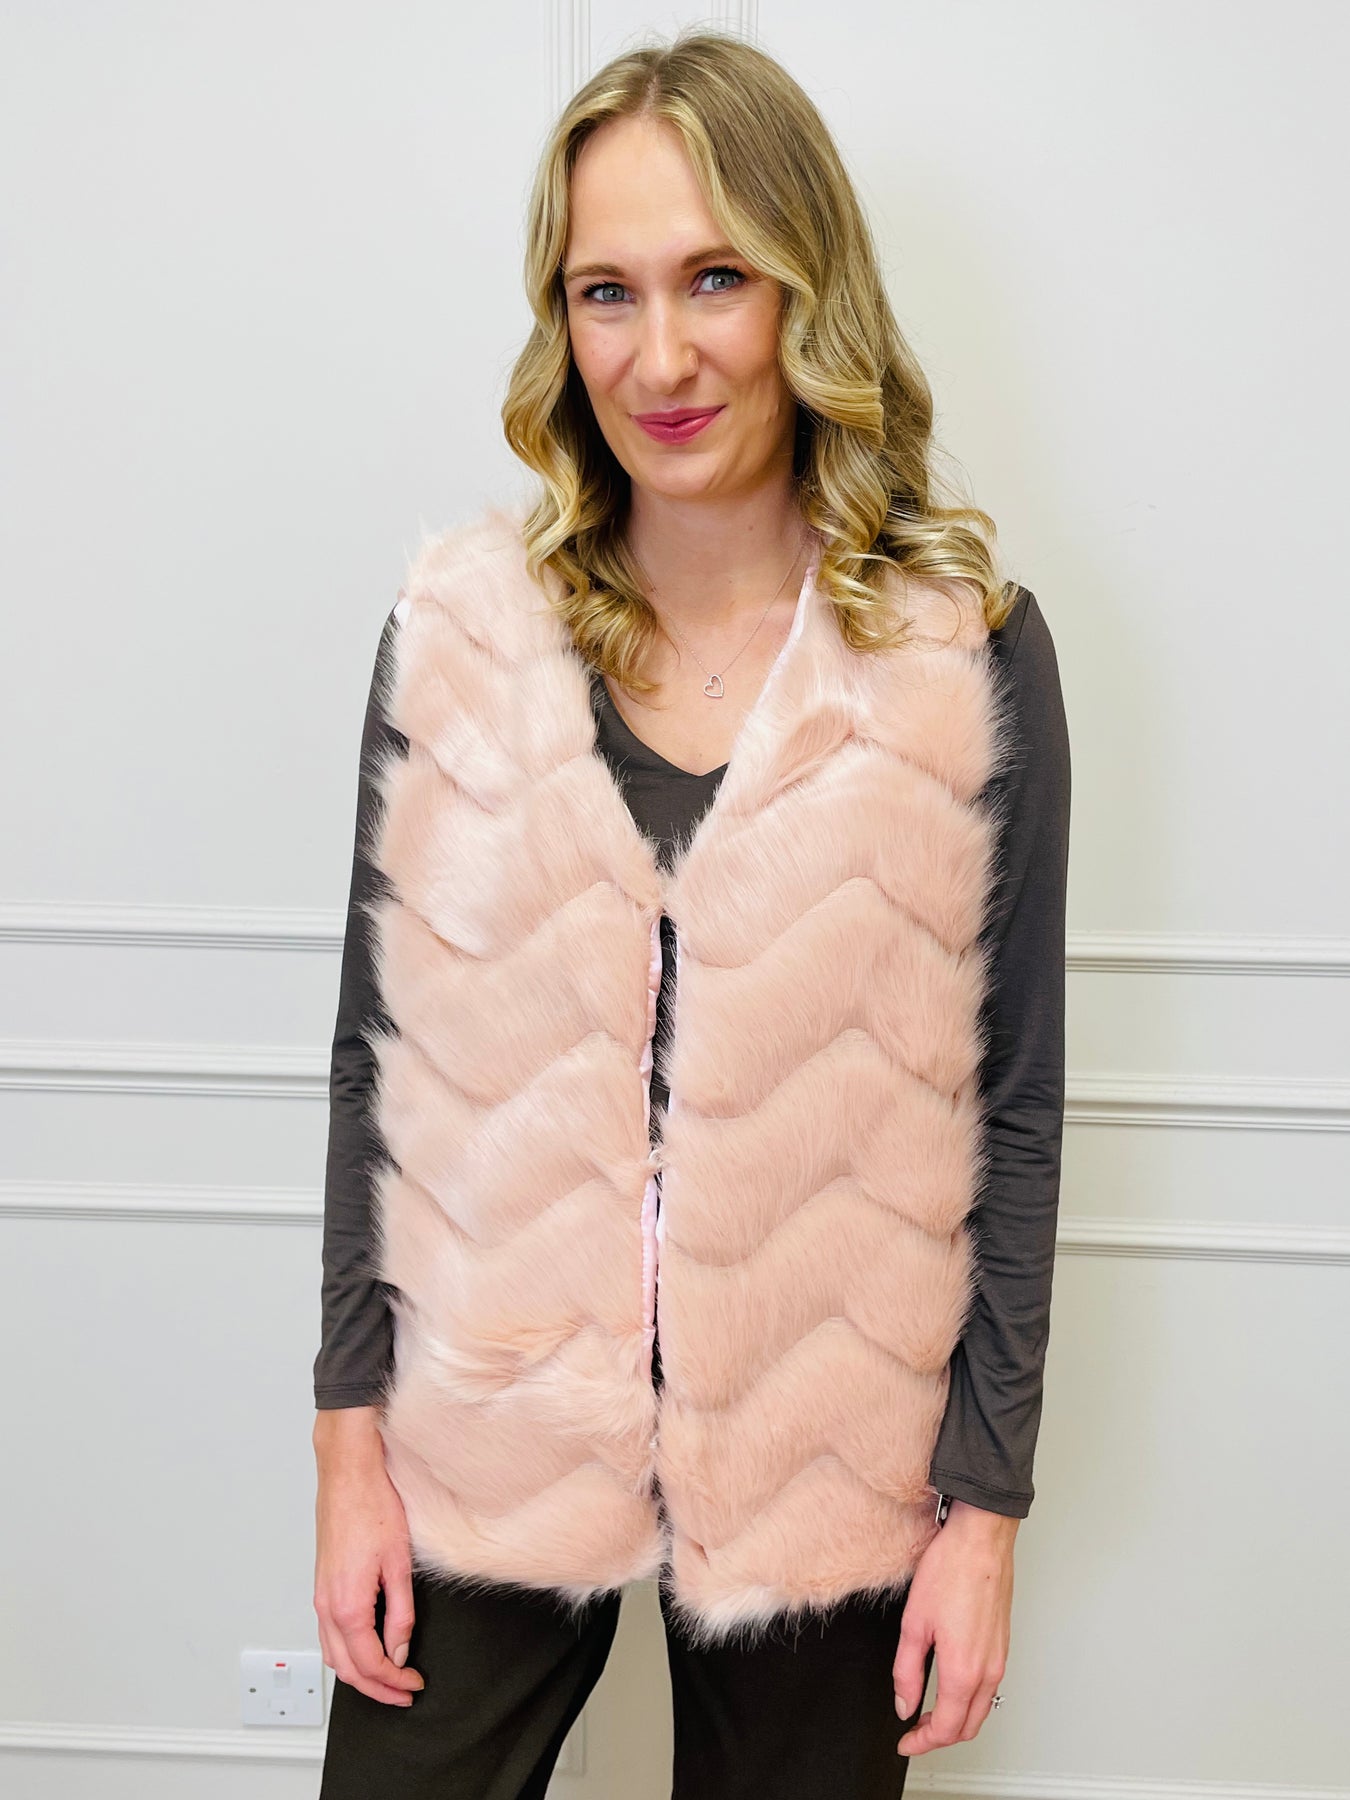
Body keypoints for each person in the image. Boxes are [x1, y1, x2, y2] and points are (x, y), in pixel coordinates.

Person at [312, 28, 1070, 1800]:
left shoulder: (960, 656)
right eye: (607, 292)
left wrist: (983, 1515)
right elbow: (371, 1071)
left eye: (714, 277)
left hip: (831, 1450)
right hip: (489, 1420)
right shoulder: (459, 639)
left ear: (806, 288)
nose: (658, 357)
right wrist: (349, 1457)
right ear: (560, 319)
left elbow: (1014, 1103)